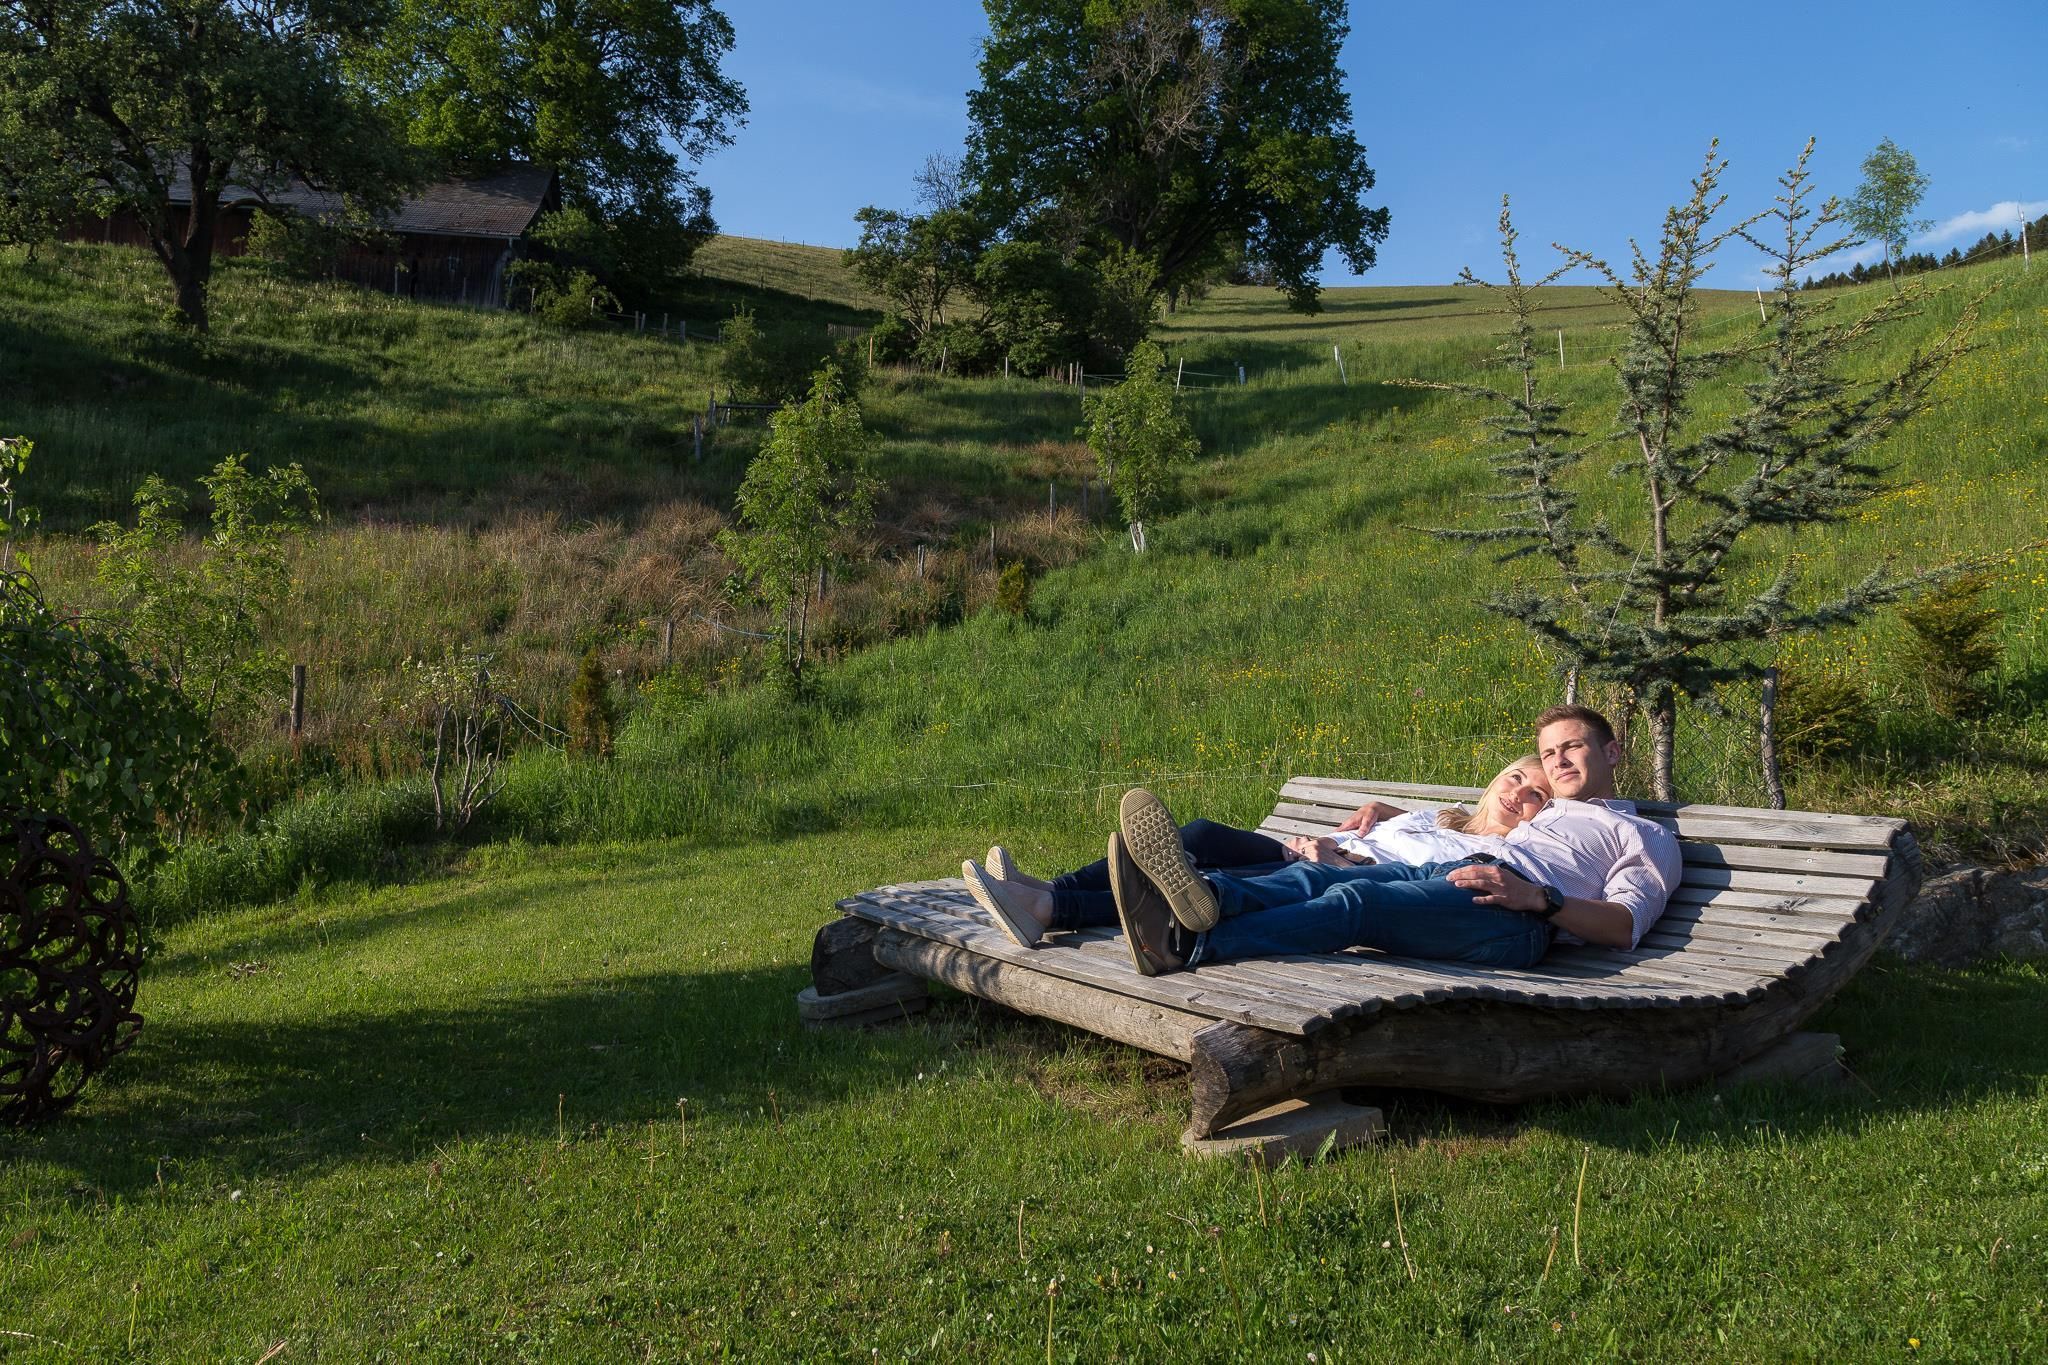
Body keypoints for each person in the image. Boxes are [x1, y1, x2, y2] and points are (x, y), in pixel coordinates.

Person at [1107, 705, 1684, 977]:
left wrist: (1539, 899)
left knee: (1356, 903)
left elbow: (1624, 926)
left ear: (1612, 753)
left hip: (1513, 915)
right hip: (1459, 871)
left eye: (1572, 747)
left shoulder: (1644, 835)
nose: (1557, 761)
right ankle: (1198, 897)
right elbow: (1472, 821)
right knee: (1316, 877)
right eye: (1549, 753)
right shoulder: (1545, 810)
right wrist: (1394, 812)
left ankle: (1187, 944)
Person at [962, 755, 1551, 949]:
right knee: (1197, 836)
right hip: (1310, 852)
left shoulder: (1488, 854)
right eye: (1517, 777)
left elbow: (1408, 879)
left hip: (1328, 872)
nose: (1518, 794)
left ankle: (1046, 910)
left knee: (1200, 878)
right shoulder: (1444, 817)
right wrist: (1364, 819)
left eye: (1535, 796)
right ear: (1498, 777)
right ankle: (1051, 889)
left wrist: (1338, 860)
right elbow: (1387, 830)